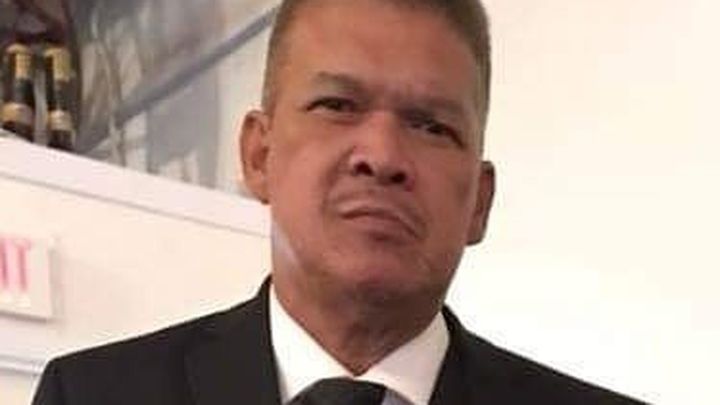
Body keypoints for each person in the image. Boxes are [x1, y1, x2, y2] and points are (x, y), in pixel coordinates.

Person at [32, 0, 646, 404]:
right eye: (337, 105)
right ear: (258, 154)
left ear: (479, 203)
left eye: (432, 126)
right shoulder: (91, 398)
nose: (382, 154)